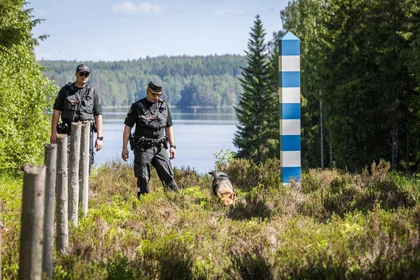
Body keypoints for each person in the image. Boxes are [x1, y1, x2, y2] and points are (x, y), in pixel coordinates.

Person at [122, 81, 178, 198]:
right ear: (147, 91)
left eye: (159, 95)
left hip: (160, 147)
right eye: (153, 94)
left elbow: (169, 126)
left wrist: (172, 146)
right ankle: (143, 205)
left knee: (168, 177)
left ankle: (175, 202)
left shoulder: (164, 106)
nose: (156, 97)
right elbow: (128, 127)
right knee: (143, 179)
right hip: (143, 148)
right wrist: (124, 148)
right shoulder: (137, 107)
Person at [50, 64, 103, 169]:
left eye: (86, 74)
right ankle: (64, 185)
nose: (84, 76)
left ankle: (83, 185)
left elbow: (98, 116)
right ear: (76, 74)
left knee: (86, 161)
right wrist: (53, 134)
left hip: (86, 133)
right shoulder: (66, 90)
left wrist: (99, 138)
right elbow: (56, 113)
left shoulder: (92, 93)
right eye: (81, 74)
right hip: (67, 132)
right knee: (65, 160)